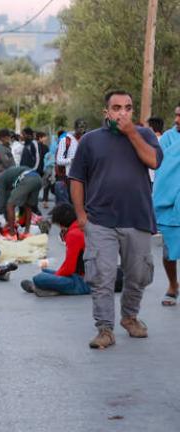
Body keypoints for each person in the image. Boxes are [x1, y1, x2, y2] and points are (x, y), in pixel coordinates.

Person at [69, 90, 162, 349]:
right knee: (102, 276)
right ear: (106, 112)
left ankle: (130, 317)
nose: (123, 112)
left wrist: (131, 132)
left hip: (138, 218)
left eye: (128, 108)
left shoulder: (143, 135)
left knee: (138, 274)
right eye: (117, 107)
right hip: (100, 221)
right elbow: (77, 179)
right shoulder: (90, 141)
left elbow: (153, 161)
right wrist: (81, 216)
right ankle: (104, 329)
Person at [20, 203, 90, 296]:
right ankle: (50, 287)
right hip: (87, 277)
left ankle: (39, 288)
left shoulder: (74, 234)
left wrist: (56, 277)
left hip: (83, 282)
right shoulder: (80, 227)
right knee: (46, 272)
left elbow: (69, 268)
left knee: (39, 278)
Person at [154, 104, 180, 306]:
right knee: (168, 250)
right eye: (176, 115)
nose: (177, 120)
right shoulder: (168, 139)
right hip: (170, 202)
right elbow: (161, 170)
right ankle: (173, 284)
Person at [0, 165, 42, 238]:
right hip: (38, 179)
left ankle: (12, 234)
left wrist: (0, 214)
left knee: (10, 205)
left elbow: (2, 199)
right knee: (28, 206)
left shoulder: (1, 179)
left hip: (28, 179)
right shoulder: (10, 174)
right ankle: (27, 232)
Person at [147, 116, 164, 186]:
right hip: (161, 179)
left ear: (151, 128)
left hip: (150, 179)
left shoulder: (149, 142)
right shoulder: (166, 141)